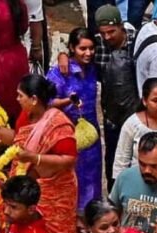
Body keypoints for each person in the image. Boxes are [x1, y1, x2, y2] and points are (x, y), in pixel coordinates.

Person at [0, 74, 78, 233]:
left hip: (53, 190)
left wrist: (34, 158)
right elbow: (18, 140)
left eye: (20, 95)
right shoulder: (26, 116)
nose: (17, 99)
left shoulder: (58, 124)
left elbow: (69, 159)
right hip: (26, 187)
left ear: (34, 99)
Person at [47, 28, 102, 216]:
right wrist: (68, 100)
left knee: (93, 174)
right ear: (72, 48)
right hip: (68, 132)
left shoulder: (93, 68)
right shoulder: (60, 72)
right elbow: (48, 102)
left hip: (91, 130)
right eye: (82, 49)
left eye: (91, 48)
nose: (88, 53)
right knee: (73, 175)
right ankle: (74, 216)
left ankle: (90, 214)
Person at [94, 5, 139, 191]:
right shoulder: (96, 44)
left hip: (135, 113)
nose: (107, 37)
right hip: (111, 116)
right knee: (113, 163)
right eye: (103, 33)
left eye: (111, 32)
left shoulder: (137, 40)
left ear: (121, 26)